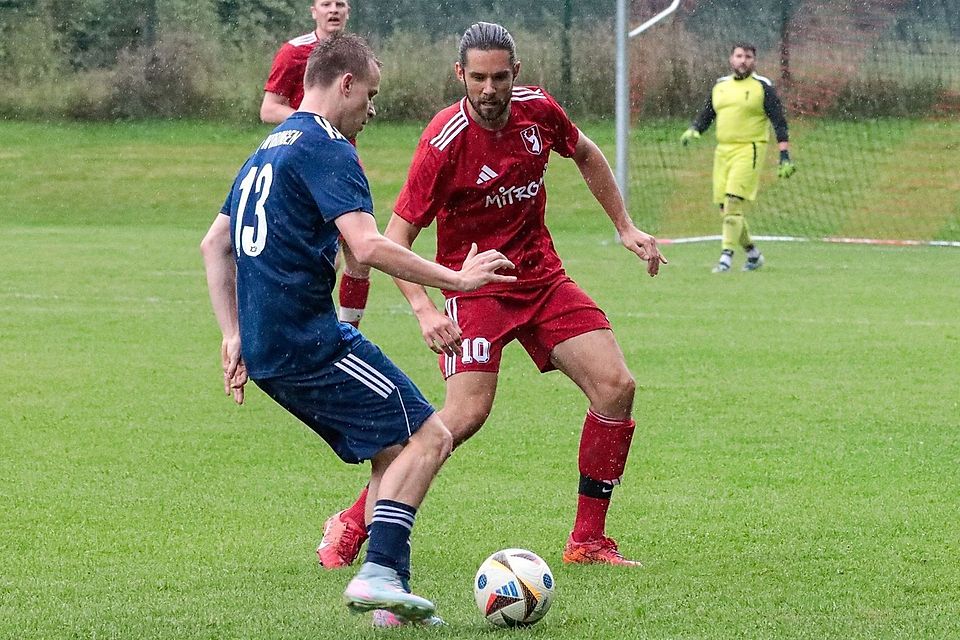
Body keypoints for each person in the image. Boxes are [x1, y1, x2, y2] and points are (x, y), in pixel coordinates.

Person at [317, 22, 667, 574]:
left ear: (515, 73)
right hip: (475, 288)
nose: (488, 89)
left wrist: (625, 226)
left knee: (615, 386)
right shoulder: (443, 142)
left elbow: (585, 152)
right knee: (462, 416)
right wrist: (425, 308)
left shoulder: (538, 110)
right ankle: (354, 521)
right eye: (477, 77)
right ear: (460, 74)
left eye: (499, 77)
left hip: (542, 279)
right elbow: (393, 239)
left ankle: (588, 541)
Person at [201, 33, 515, 623]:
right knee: (433, 436)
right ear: (345, 84)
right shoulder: (328, 146)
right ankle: (379, 574)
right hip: (308, 343)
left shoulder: (269, 148)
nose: (371, 110)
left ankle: (388, 601)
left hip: (270, 347)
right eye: (370, 95)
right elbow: (367, 246)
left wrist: (232, 334)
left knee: (393, 450)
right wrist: (457, 279)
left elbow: (215, 243)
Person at [261, 0, 372, 327]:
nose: (333, 10)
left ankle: (349, 332)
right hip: (306, 164)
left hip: (343, 162)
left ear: (349, 10)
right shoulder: (295, 52)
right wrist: (314, 123)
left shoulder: (355, 56)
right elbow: (269, 108)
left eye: (340, 3)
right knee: (324, 258)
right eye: (326, 3)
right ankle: (300, 323)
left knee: (359, 256)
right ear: (313, 11)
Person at [680, 42, 796, 273]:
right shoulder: (720, 86)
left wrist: (784, 155)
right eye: (739, 56)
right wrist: (695, 129)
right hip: (723, 152)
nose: (743, 61)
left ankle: (726, 257)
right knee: (726, 209)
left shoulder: (763, 87)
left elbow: (779, 122)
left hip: (749, 150)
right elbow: (708, 113)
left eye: (748, 57)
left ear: (754, 61)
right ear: (731, 59)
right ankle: (753, 254)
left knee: (733, 201)